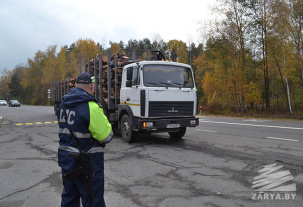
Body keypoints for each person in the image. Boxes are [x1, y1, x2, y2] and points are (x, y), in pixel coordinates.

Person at [57, 72, 113, 207]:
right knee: (93, 201)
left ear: (75, 85)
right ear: (92, 87)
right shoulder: (91, 107)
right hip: (88, 165)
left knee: (69, 199)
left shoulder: (63, 105)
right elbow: (106, 136)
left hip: (67, 162)